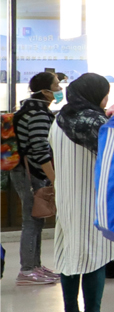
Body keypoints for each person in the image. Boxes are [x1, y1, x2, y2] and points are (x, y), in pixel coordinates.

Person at [49, 73, 114, 312]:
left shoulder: (59, 120)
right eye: (105, 93)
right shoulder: (94, 121)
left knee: (68, 253)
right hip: (90, 197)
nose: (107, 98)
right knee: (95, 255)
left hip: (66, 197)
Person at [8, 71, 60, 286]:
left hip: (28, 171)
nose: (59, 90)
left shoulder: (32, 109)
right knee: (32, 219)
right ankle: (27, 270)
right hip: (30, 173)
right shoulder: (38, 114)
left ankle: (35, 265)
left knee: (37, 217)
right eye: (56, 85)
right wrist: (54, 179)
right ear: (45, 91)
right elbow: (39, 150)